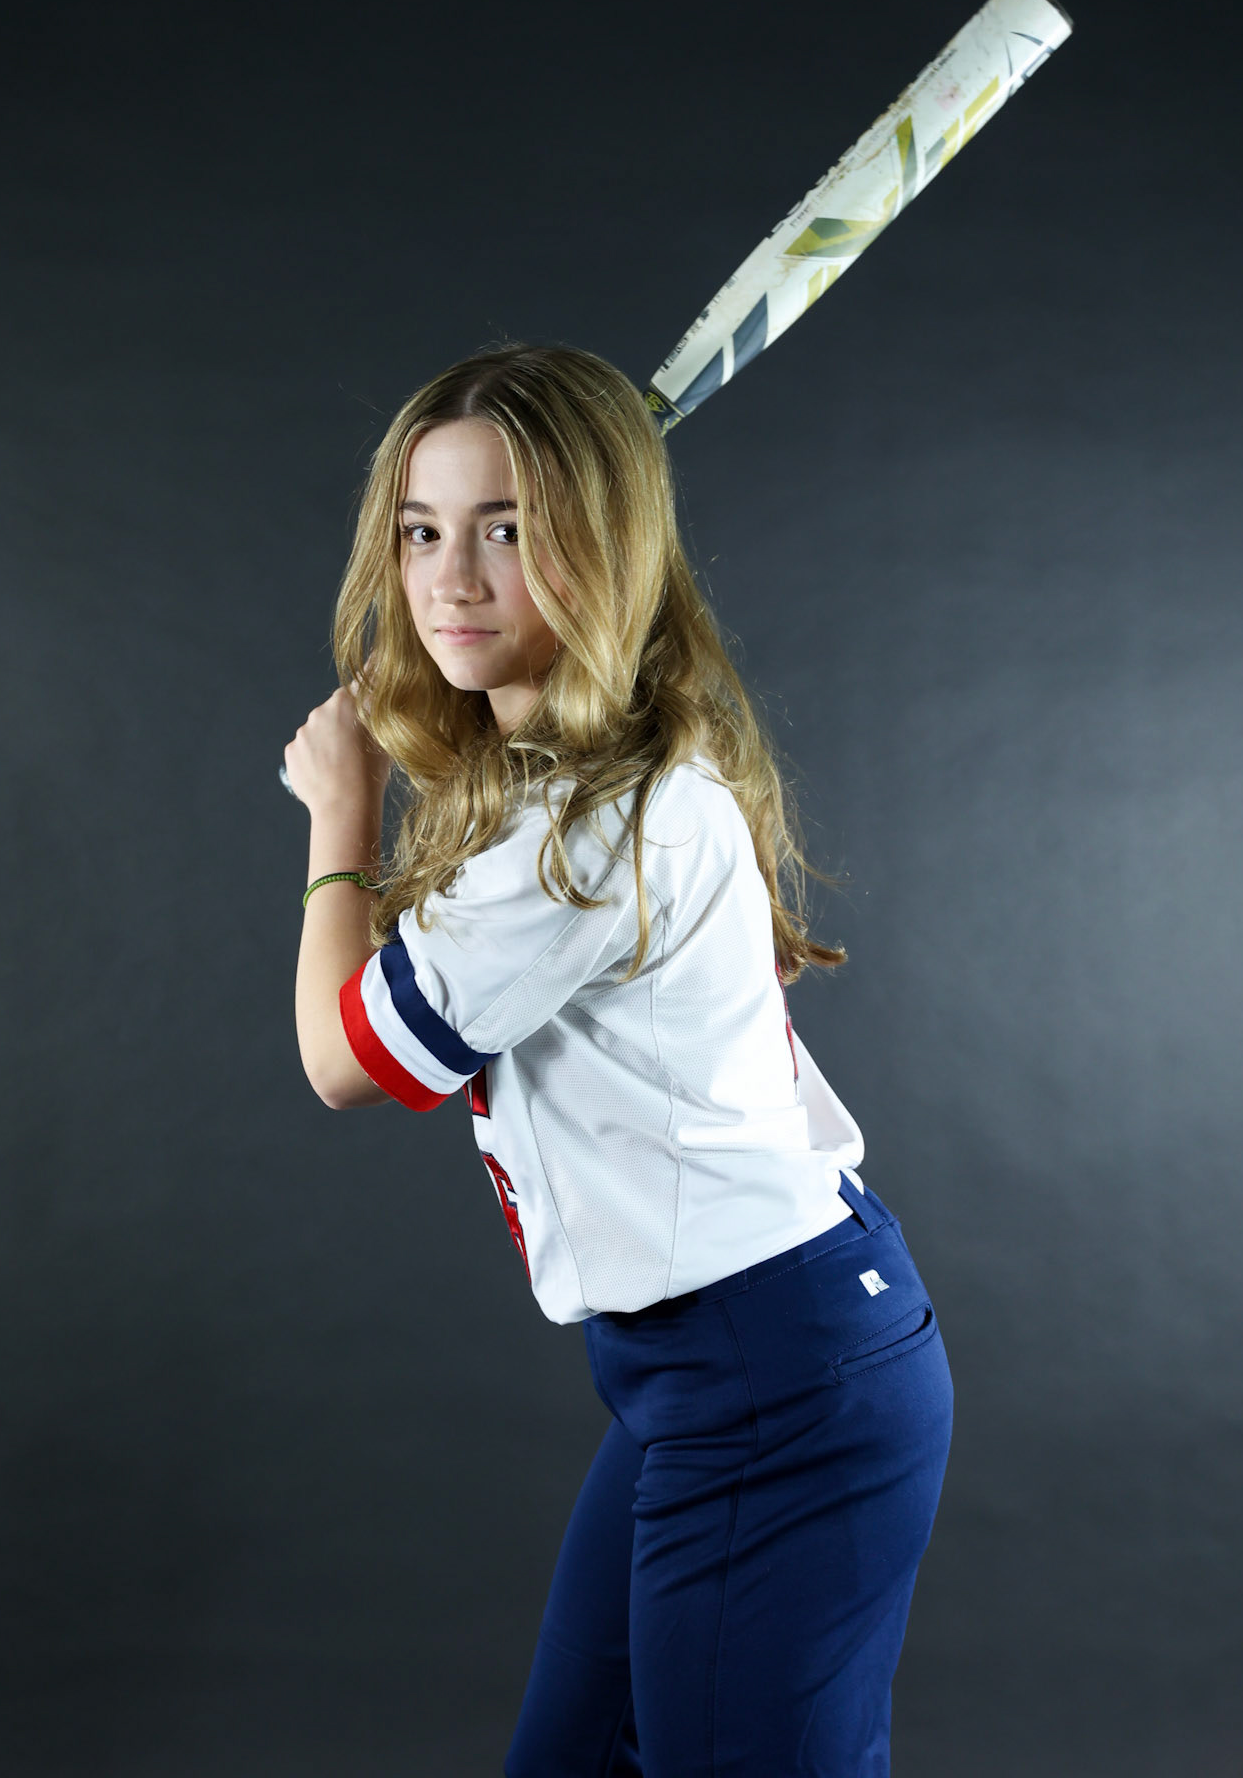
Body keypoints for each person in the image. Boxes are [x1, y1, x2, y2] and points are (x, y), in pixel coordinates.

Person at [282, 343, 953, 1777]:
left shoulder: (578, 831)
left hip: (768, 1374)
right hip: (723, 1363)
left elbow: (347, 1061)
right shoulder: (610, 772)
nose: (451, 578)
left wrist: (340, 816)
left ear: (599, 546)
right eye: (422, 530)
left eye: (506, 530)